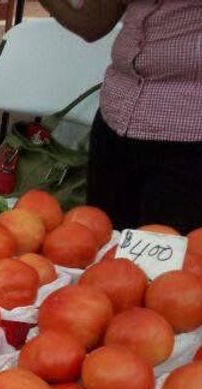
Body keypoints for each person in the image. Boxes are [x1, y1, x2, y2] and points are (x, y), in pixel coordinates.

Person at [38, 0, 202, 232]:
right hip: (116, 120)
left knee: (168, 258)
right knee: (104, 248)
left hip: (188, 136)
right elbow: (93, 23)